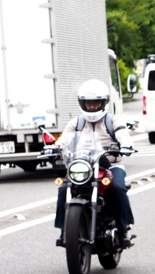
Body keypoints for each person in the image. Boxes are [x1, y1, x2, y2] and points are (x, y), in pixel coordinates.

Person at [51, 79, 135, 244]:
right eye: (88, 104)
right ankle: (64, 230)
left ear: (103, 103)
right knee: (63, 189)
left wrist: (126, 146)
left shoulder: (113, 121)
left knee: (118, 188)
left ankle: (123, 228)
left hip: (112, 166)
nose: (91, 107)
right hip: (84, 166)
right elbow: (65, 138)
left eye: (95, 103)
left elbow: (123, 135)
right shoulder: (77, 122)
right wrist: (54, 147)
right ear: (82, 103)